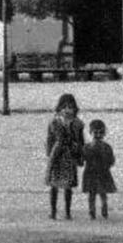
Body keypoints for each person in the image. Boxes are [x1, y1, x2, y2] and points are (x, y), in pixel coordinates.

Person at [45, 92, 85, 220]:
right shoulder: (54, 122)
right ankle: (53, 211)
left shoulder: (77, 123)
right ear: (59, 108)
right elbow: (50, 139)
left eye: (70, 107)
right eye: (64, 107)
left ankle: (67, 211)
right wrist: (49, 153)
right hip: (57, 156)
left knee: (68, 186)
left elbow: (81, 140)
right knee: (54, 185)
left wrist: (80, 154)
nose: (67, 110)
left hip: (69, 156)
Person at [81, 119, 118, 219]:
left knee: (103, 193)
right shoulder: (87, 147)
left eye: (100, 132)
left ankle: (104, 210)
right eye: (95, 132)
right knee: (92, 194)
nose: (98, 135)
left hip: (102, 172)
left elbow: (111, 160)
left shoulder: (106, 147)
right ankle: (92, 212)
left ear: (104, 133)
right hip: (91, 172)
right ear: (90, 132)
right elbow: (82, 159)